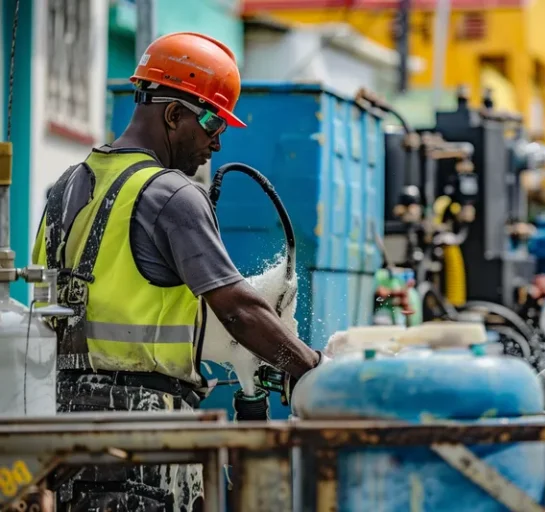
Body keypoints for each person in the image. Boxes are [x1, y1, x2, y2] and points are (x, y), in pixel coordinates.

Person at [31, 32, 325, 512]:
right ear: (172, 114)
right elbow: (237, 310)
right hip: (144, 437)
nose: (217, 138)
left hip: (56, 426)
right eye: (211, 119)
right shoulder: (172, 194)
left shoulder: (64, 188)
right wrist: (310, 370)